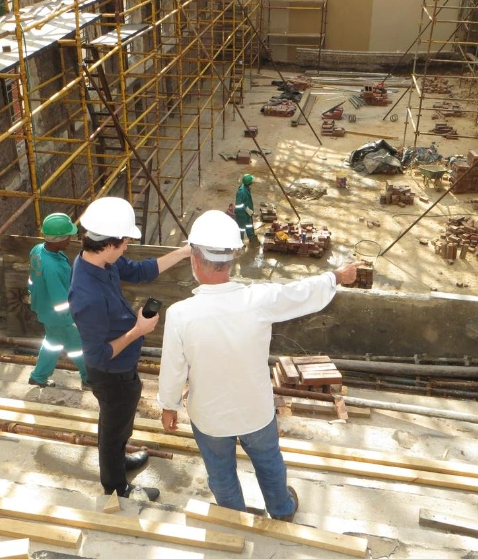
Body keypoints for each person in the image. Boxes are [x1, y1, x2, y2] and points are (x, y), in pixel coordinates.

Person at [157, 210, 362, 522]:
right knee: (269, 462)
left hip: (210, 416)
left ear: (194, 260)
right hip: (256, 410)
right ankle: (281, 510)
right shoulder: (259, 300)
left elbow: (173, 369)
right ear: (233, 260)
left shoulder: (180, 314)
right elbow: (300, 293)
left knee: (221, 474)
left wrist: (168, 406)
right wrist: (336, 276)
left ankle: (234, 518)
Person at [69, 196, 191, 502]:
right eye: (125, 243)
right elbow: (95, 355)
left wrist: (184, 252)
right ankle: (116, 486)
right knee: (112, 428)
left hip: (123, 368)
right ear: (108, 243)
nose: (127, 248)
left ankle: (120, 460)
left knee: (120, 423)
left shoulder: (100, 259)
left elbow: (139, 271)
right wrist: (138, 331)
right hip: (110, 373)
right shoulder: (87, 296)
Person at [27, 213, 87, 389]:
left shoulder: (37, 250)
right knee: (80, 348)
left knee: (52, 344)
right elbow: (60, 300)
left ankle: (38, 377)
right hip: (62, 318)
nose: (70, 239)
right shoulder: (52, 267)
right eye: (68, 236)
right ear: (58, 240)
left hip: (46, 312)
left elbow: (32, 279)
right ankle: (90, 378)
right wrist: (72, 320)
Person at [234, 174, 256, 242]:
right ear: (249, 183)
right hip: (241, 214)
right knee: (241, 228)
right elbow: (238, 205)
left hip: (247, 213)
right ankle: (240, 241)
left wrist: (249, 211)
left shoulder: (246, 188)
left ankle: (251, 237)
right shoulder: (241, 192)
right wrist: (247, 209)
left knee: (249, 225)